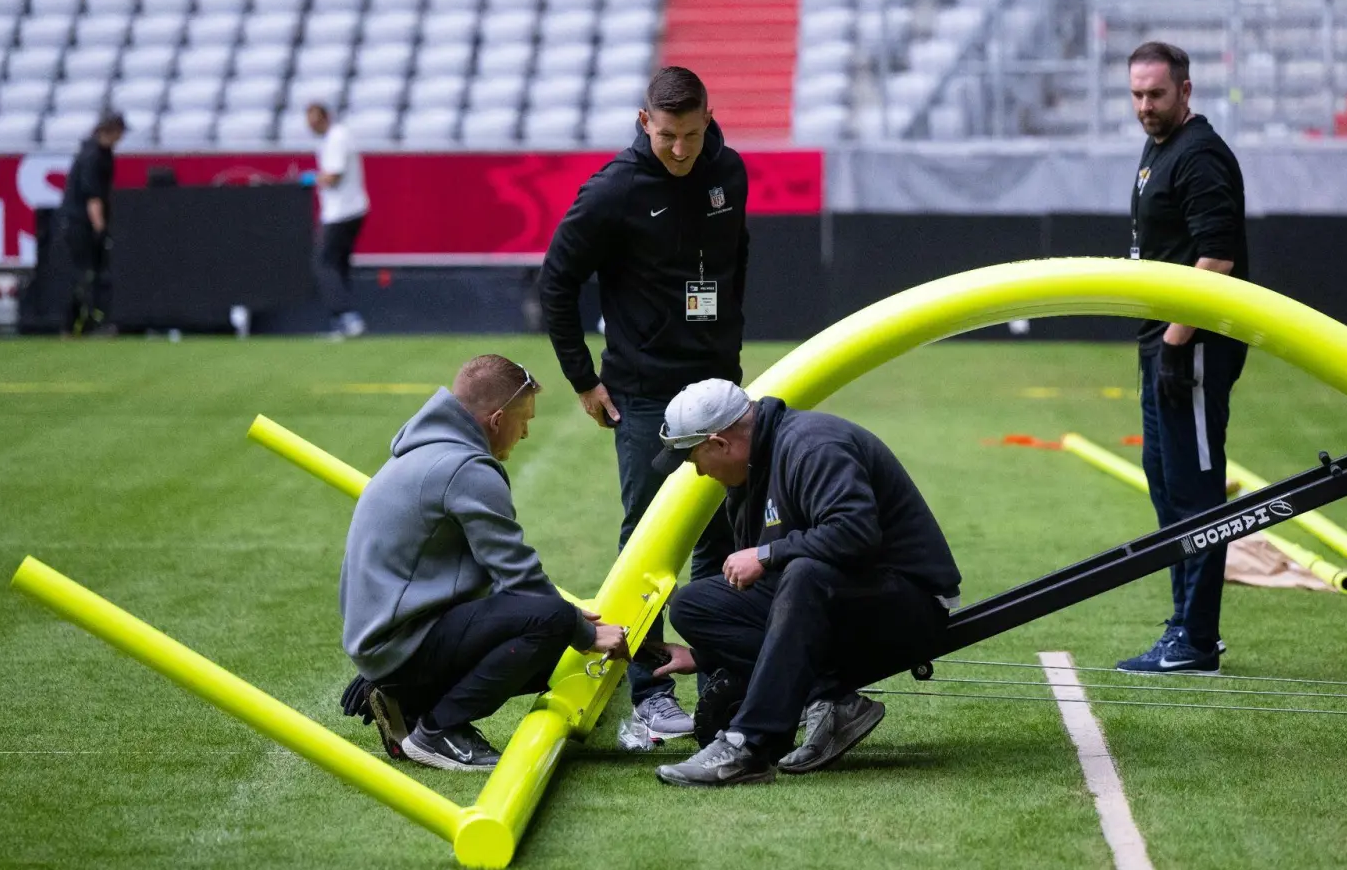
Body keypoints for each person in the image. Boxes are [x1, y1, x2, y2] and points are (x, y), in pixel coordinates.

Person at [538, 67, 750, 739]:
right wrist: (582, 380)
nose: (681, 150)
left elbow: (734, 265)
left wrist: (730, 356)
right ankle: (647, 695)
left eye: (691, 134)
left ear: (709, 117)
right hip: (642, 390)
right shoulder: (613, 191)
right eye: (667, 137)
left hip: (717, 385)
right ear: (643, 123)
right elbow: (557, 281)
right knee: (650, 537)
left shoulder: (730, 173)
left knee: (721, 534)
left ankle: (722, 673)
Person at [644, 380, 962, 787]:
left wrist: (765, 555)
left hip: (910, 604)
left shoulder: (812, 446)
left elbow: (855, 532)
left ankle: (749, 748)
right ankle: (830, 700)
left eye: (694, 459)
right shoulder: (752, 470)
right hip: (836, 598)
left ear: (720, 444)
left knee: (803, 572)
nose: (699, 470)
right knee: (693, 605)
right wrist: (707, 655)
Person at [337, 354, 629, 771]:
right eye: (523, 420)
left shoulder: (421, 452)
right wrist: (583, 632)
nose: (526, 432)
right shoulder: (467, 469)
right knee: (551, 621)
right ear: (496, 419)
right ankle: (439, 730)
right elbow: (519, 576)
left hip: (387, 637)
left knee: (552, 641)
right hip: (398, 641)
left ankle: (409, 700)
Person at [1117, 41, 1250, 675]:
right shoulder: (1160, 147)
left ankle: (1195, 642)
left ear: (1186, 91)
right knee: (1167, 489)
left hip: (1192, 347)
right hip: (1164, 345)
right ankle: (1186, 630)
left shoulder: (1199, 155)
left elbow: (1216, 260)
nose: (1146, 105)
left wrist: (1175, 342)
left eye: (1157, 95)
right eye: (1138, 94)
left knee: (1196, 493)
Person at [56, 109, 126, 336]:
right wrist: (100, 229)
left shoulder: (97, 153)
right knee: (85, 275)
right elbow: (92, 197)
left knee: (88, 274)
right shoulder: (93, 157)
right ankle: (77, 322)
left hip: (80, 222)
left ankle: (79, 323)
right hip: (80, 224)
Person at [305, 103, 369, 339]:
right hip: (352, 209)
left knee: (324, 263)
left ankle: (347, 316)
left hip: (341, 212)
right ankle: (342, 321)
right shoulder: (333, 138)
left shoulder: (336, 138)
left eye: (315, 122)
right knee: (338, 264)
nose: (313, 127)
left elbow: (332, 177)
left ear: (326, 118)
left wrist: (312, 178)